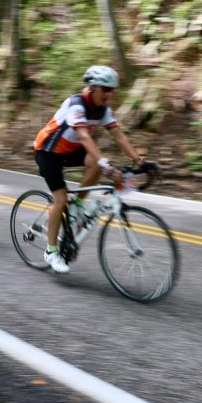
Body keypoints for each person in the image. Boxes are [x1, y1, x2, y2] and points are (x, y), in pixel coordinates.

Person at [32, 66, 146, 274]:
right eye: (105, 89)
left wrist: (139, 161)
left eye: (112, 90)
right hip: (48, 151)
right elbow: (84, 136)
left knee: (95, 162)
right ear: (92, 88)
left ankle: (78, 204)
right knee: (60, 198)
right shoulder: (76, 104)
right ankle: (50, 251)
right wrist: (106, 166)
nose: (109, 94)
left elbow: (119, 135)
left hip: (69, 151)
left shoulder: (103, 109)